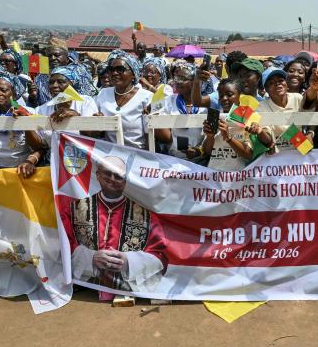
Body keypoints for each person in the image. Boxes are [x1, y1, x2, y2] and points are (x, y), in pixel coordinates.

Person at [59, 156, 167, 300]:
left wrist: (128, 261)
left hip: (128, 289)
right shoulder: (73, 210)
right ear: (98, 175)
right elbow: (62, 246)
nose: (112, 179)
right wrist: (91, 258)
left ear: (125, 181)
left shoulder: (146, 215)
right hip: (85, 290)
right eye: (107, 173)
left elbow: (160, 256)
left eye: (118, 176)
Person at [200, 79, 270, 170]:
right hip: (214, 176)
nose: (224, 98)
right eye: (221, 96)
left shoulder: (250, 118)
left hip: (238, 178)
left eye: (229, 95)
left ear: (240, 96)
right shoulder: (214, 116)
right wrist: (210, 136)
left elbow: (248, 154)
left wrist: (228, 137)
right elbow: (207, 151)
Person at [94, 50, 152, 149]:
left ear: (133, 74)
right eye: (111, 69)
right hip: (109, 153)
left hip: (138, 153)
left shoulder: (146, 97)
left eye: (120, 69)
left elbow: (151, 135)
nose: (115, 73)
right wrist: (96, 120)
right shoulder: (103, 94)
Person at [256, 66, 318, 150]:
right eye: (271, 82)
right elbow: (267, 139)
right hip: (275, 157)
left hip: (299, 154)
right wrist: (260, 132)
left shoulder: (297, 98)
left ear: (286, 84)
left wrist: (310, 133)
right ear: (266, 89)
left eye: (281, 80)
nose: (277, 84)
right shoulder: (261, 107)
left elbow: (311, 114)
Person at [154, 61, 207, 161]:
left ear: (194, 81)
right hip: (172, 159)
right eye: (176, 78)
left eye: (183, 78)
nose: (177, 81)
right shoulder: (168, 100)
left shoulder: (205, 105)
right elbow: (150, 110)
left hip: (200, 162)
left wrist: (198, 151)